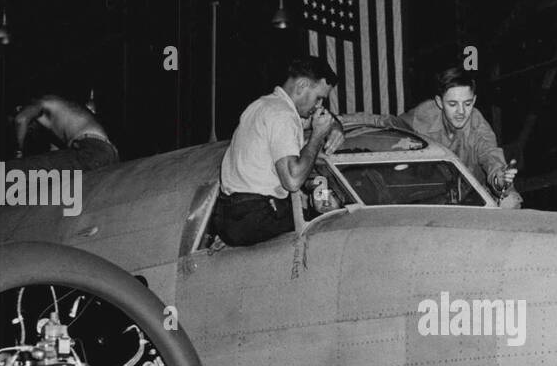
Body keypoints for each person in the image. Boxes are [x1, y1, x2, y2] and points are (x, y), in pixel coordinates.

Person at [333, 67, 523, 207]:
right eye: (453, 104)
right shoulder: (422, 117)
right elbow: (384, 122)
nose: (461, 112)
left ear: (474, 100)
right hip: (437, 188)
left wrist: (500, 179)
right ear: (439, 102)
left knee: (511, 202)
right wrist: (337, 122)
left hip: (476, 193)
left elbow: (491, 157)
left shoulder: (479, 128)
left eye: (467, 103)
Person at [216, 57, 338, 245]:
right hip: (256, 215)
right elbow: (293, 180)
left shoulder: (263, 105)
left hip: (231, 214)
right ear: (302, 85)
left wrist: (336, 127)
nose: (319, 105)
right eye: (318, 97)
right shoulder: (283, 115)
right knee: (328, 225)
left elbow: (318, 122)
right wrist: (317, 137)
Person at [13, 94, 119, 173]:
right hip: (109, 155)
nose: (29, 130)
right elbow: (54, 156)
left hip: (91, 150)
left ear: (19, 107)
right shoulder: (62, 118)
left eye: (29, 127)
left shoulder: (43, 102)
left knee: (13, 169)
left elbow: (21, 119)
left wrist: (19, 151)